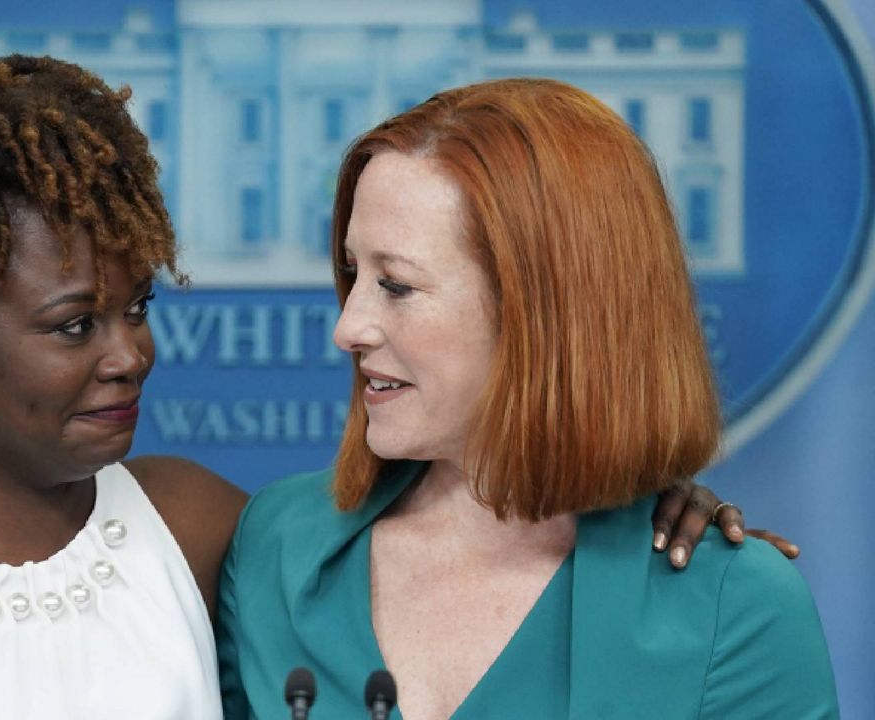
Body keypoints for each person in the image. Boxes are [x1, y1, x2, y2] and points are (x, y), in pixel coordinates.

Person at [0, 54, 780, 719]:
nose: (128, 353)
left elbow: (494, 516)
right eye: (74, 324)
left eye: (138, 308)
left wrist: (644, 502)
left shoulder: (196, 526)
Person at [216, 78, 839, 719]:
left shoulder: (736, 612)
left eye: (396, 284)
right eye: (353, 274)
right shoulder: (277, 547)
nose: (348, 327)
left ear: (547, 311)